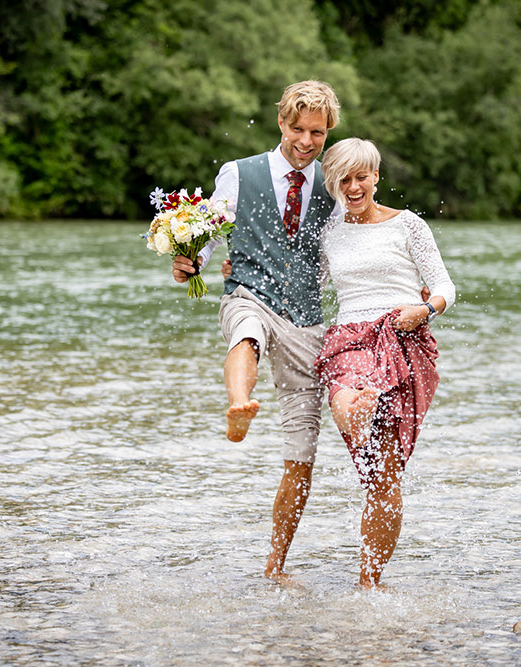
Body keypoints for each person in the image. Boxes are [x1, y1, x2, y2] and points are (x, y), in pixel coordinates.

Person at [171, 80, 342, 583]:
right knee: (245, 334)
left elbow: (345, 255)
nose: (307, 141)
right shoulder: (239, 173)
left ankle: (275, 567)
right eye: (297, 129)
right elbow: (209, 231)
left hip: (308, 320)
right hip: (248, 292)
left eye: (317, 132)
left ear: (328, 131)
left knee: (302, 455)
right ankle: (239, 404)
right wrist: (192, 262)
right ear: (280, 122)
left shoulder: (335, 187)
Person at [315, 137, 455, 588]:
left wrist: (426, 311)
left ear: (376, 176)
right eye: (342, 180)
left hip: (402, 336)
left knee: (384, 476)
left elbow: (444, 287)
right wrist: (236, 271)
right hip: (350, 338)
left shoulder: (408, 225)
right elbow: (302, 288)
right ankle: (352, 404)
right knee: (348, 382)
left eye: (360, 177)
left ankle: (368, 583)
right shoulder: (327, 233)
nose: (353, 187)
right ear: (333, 184)